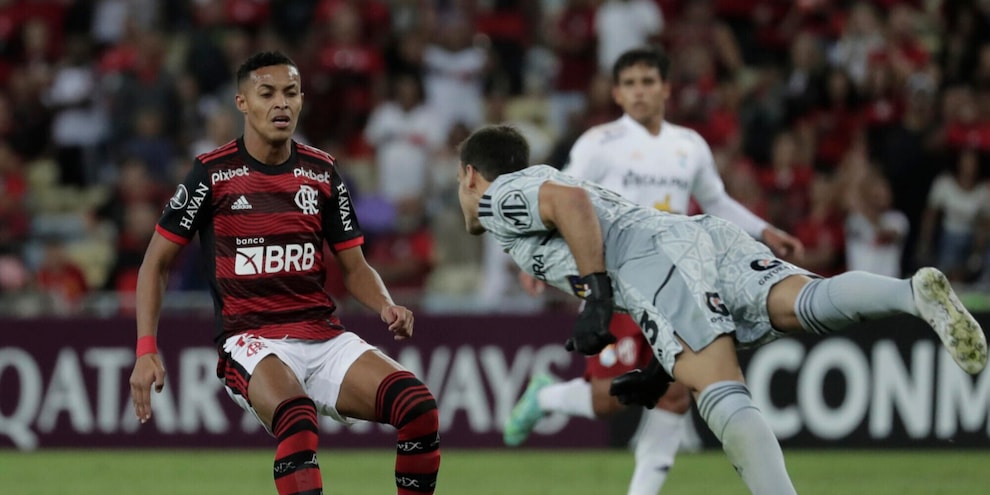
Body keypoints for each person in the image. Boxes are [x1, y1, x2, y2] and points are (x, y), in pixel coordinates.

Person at [456, 124, 987, 495]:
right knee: (804, 302)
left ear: (469, 175)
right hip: (696, 239)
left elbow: (572, 209)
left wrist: (596, 292)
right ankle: (908, 294)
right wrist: (658, 369)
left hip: (651, 261)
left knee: (719, 391)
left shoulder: (498, 197)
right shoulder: (540, 187)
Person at [128, 51, 441, 495]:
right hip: (250, 338)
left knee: (418, 408)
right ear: (242, 103)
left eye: (291, 93)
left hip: (323, 335)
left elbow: (355, 266)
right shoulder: (211, 174)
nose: (282, 104)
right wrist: (145, 348)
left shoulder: (323, 172)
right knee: (297, 418)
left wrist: (385, 304)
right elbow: (154, 264)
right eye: (268, 93)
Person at [504, 46, 804, 495]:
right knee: (609, 399)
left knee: (677, 391)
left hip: (681, 283)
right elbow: (555, 197)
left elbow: (716, 201)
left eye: (647, 82)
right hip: (621, 282)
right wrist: (536, 257)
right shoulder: (598, 144)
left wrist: (765, 230)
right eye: (629, 84)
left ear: (665, 88)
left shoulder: (689, 145)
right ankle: (545, 396)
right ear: (617, 93)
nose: (639, 92)